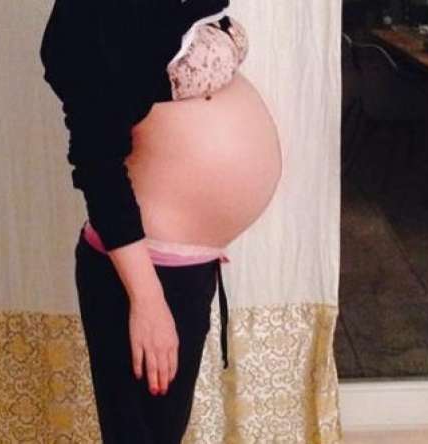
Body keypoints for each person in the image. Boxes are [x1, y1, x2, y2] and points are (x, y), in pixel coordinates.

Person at [39, 0, 282, 442]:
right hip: (144, 270)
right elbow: (98, 168)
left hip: (185, 265)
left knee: (162, 432)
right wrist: (147, 301)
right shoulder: (91, 15)